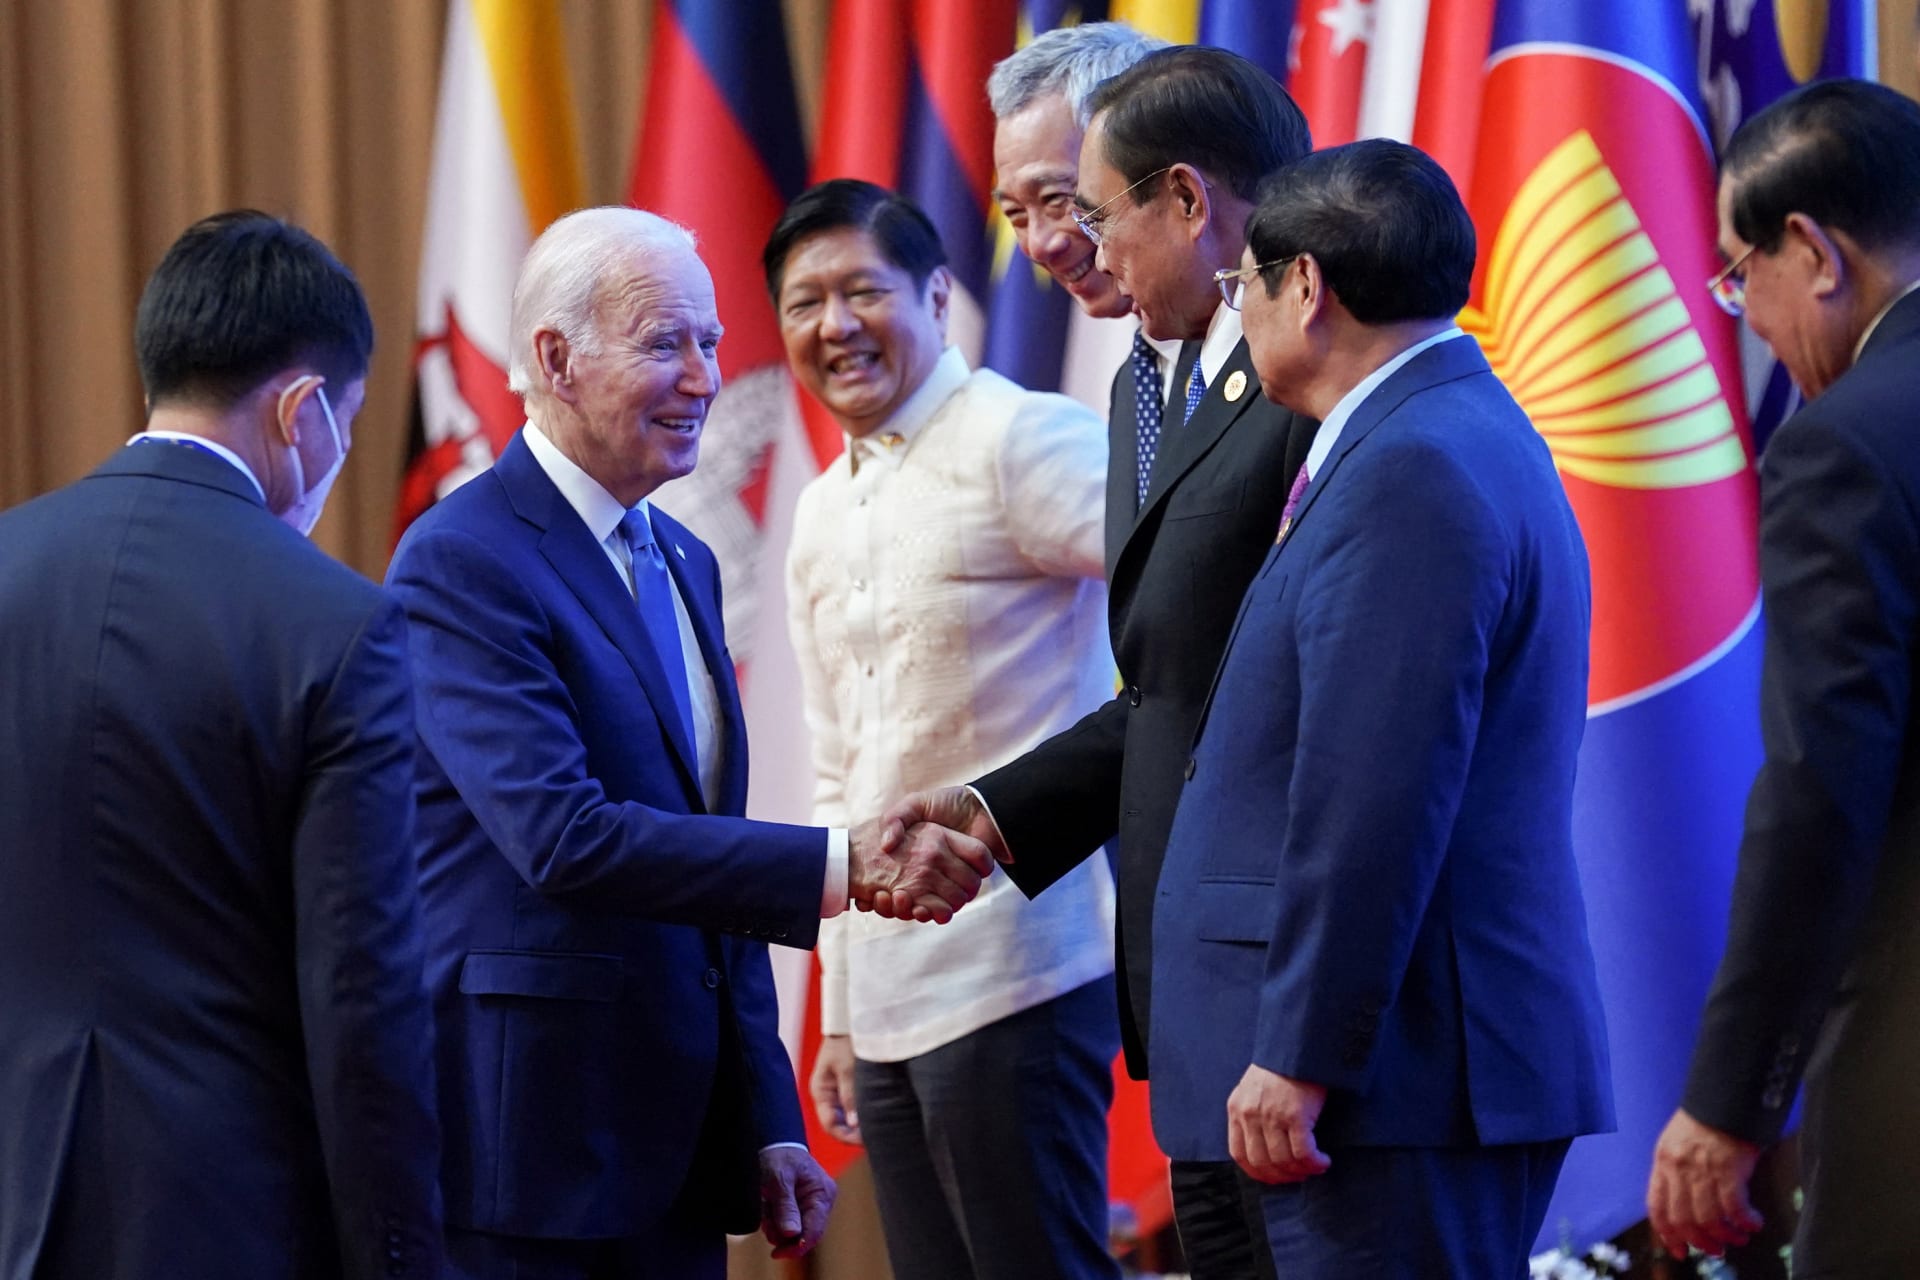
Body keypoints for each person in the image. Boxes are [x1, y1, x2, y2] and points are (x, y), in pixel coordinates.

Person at [385, 205, 996, 1280]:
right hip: (529, 1157)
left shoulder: (682, 554)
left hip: (673, 1149)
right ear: (555, 358)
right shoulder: (460, 559)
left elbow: (703, 857)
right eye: (668, 342)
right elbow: (564, 838)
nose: (707, 376)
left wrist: (764, 1116)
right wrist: (846, 863)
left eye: (712, 342)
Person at [882, 46, 1321, 1279]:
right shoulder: (1138, 384)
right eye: (1018, 210)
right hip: (1191, 988)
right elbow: (1171, 686)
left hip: (1296, 984)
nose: (1045, 241)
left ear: (1165, 182)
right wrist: (986, 813)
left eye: (1069, 200)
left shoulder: (1304, 368)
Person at [1153, 138, 1612, 1277]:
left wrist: (1303, 1048)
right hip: (1391, 1074)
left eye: (1239, 284)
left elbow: (1376, 789)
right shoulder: (1431, 433)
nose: (1238, 313)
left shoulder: (1415, 463)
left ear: (1303, 285)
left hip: (1389, 1083)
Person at [0, 211, 443, 1279]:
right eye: (347, 421)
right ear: (302, 411)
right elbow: (362, 994)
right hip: (235, 1210)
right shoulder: (336, 623)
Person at [772, 178, 1122, 1280]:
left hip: (1022, 972)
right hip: (882, 1003)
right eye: (803, 302)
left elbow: (1192, 591)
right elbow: (838, 767)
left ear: (934, 294)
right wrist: (833, 1008)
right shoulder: (821, 508)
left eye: (862, 291)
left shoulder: (1018, 438)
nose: (834, 326)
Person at [1649, 79, 1920, 1278]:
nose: (1740, 313)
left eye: (1735, 269)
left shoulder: (1847, 444)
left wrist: (1728, 1098)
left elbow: (1821, 792)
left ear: (1810, 251)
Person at [989, 21, 1167, 321]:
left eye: (1055, 198)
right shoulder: (1150, 361)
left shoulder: (1262, 352)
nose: (1038, 246)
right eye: (1016, 214)